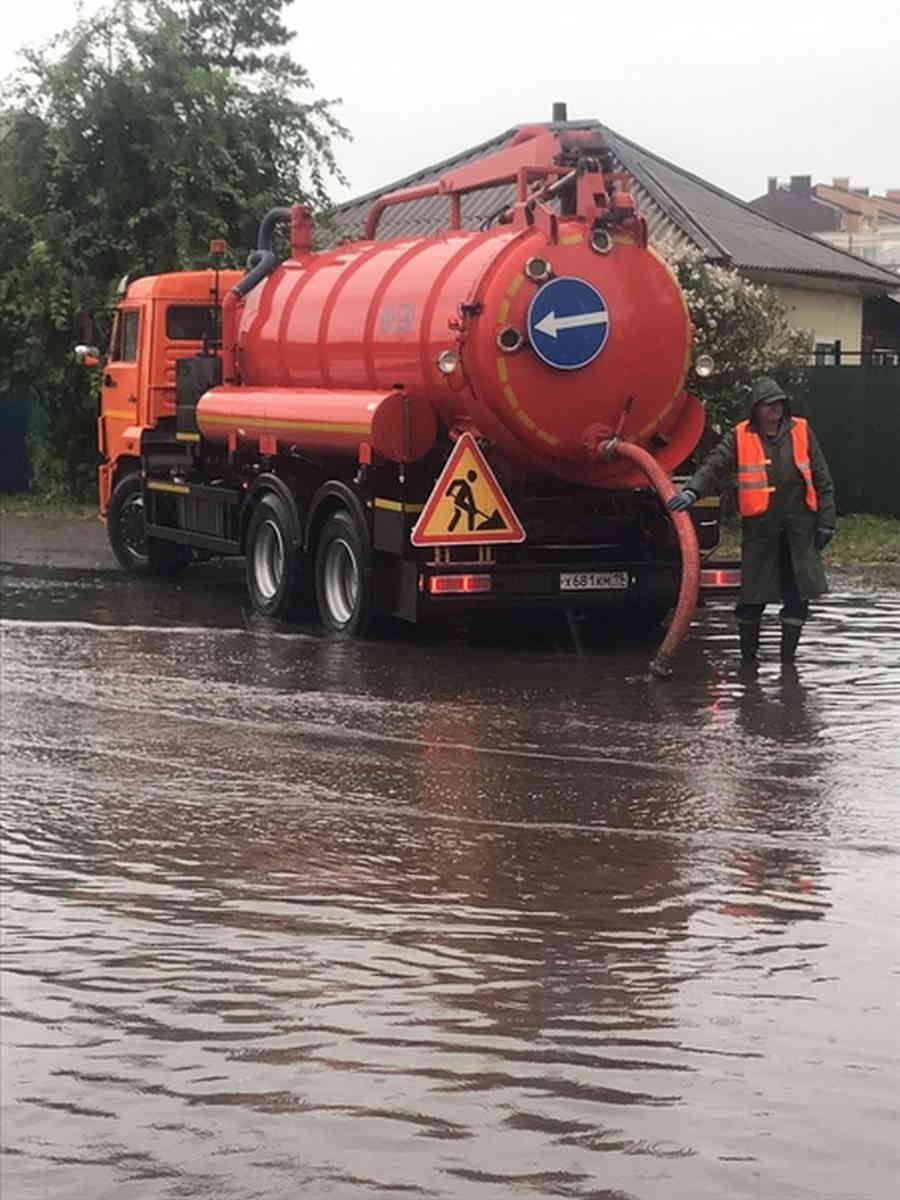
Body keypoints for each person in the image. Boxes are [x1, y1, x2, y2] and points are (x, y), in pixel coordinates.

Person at [668, 377, 836, 664]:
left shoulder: (802, 431)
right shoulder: (740, 435)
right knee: (752, 599)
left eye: (779, 405)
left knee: (797, 597)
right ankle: (748, 663)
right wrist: (693, 491)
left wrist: (826, 522)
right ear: (756, 409)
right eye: (769, 406)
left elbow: (823, 481)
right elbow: (714, 466)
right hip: (760, 534)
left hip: (798, 532)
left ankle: (788, 663)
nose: (775, 411)